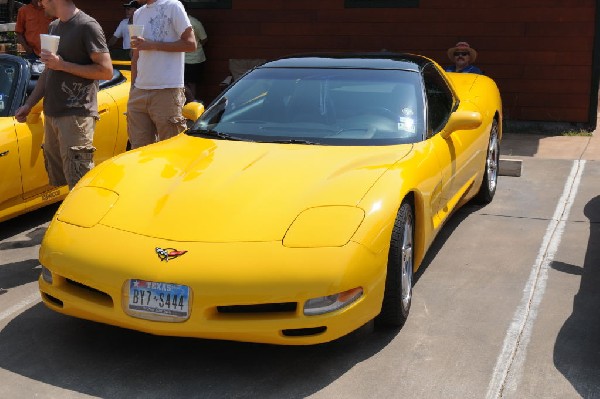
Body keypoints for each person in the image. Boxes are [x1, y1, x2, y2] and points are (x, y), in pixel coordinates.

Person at [14, 0, 113, 189]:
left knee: (79, 184)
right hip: (52, 114)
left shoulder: (87, 26)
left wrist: (62, 65)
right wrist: (29, 104)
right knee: (59, 182)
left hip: (76, 115)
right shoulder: (54, 26)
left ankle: (83, 218)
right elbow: (48, 71)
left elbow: (106, 71)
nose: (41, 3)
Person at [127, 0, 196, 149]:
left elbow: (191, 44)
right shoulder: (138, 13)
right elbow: (136, 54)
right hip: (139, 91)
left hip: (167, 90)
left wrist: (152, 45)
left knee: (170, 150)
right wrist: (133, 88)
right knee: (138, 153)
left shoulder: (173, 6)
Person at [182, 2, 207, 102]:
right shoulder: (173, 22)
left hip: (195, 59)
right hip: (179, 58)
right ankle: (192, 100)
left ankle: (192, 104)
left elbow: (204, 39)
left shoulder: (195, 23)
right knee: (180, 81)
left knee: (192, 82)